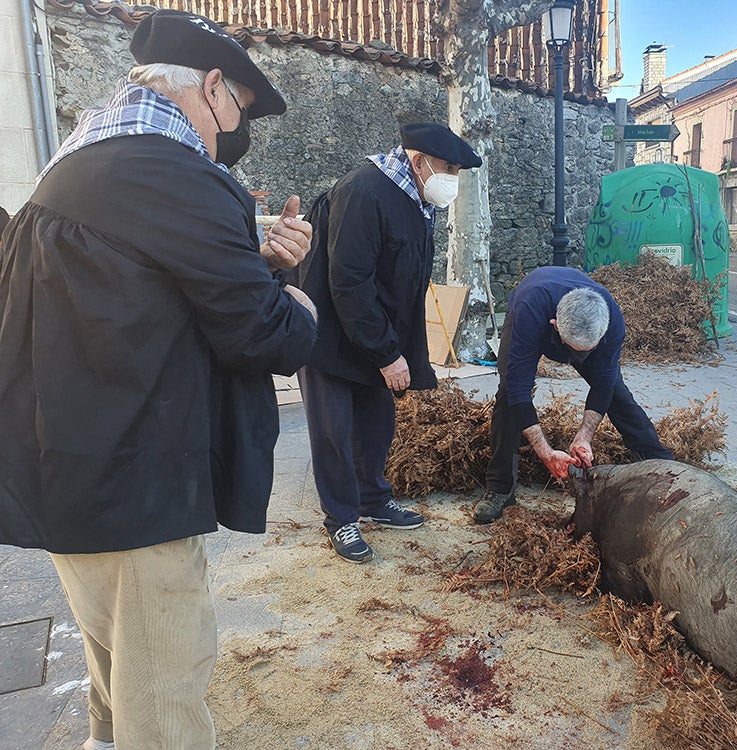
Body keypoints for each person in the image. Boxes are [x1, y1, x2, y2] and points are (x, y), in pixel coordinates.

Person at [0, 10, 318, 750]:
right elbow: (262, 333)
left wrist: (257, 265)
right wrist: (293, 295)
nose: (235, 134)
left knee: (115, 674)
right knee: (166, 698)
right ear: (210, 87)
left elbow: (140, 302)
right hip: (136, 489)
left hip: (72, 479)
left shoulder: (80, 164)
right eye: (238, 110)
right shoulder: (172, 173)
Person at [292, 123, 481, 563]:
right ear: (419, 161)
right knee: (334, 430)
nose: (452, 176)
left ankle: (372, 500)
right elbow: (349, 281)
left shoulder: (415, 198)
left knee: (376, 423)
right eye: (448, 167)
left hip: (372, 332)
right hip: (331, 334)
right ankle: (341, 519)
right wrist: (387, 353)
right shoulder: (365, 191)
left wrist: (397, 349)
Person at [472, 266, 675, 524]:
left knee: (616, 391)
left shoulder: (611, 320)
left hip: (583, 328)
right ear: (555, 327)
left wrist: (584, 437)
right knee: (508, 396)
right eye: (573, 350)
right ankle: (500, 488)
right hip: (532, 312)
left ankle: (660, 463)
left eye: (585, 351)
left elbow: (603, 385)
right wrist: (545, 452)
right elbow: (518, 389)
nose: (575, 360)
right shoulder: (530, 312)